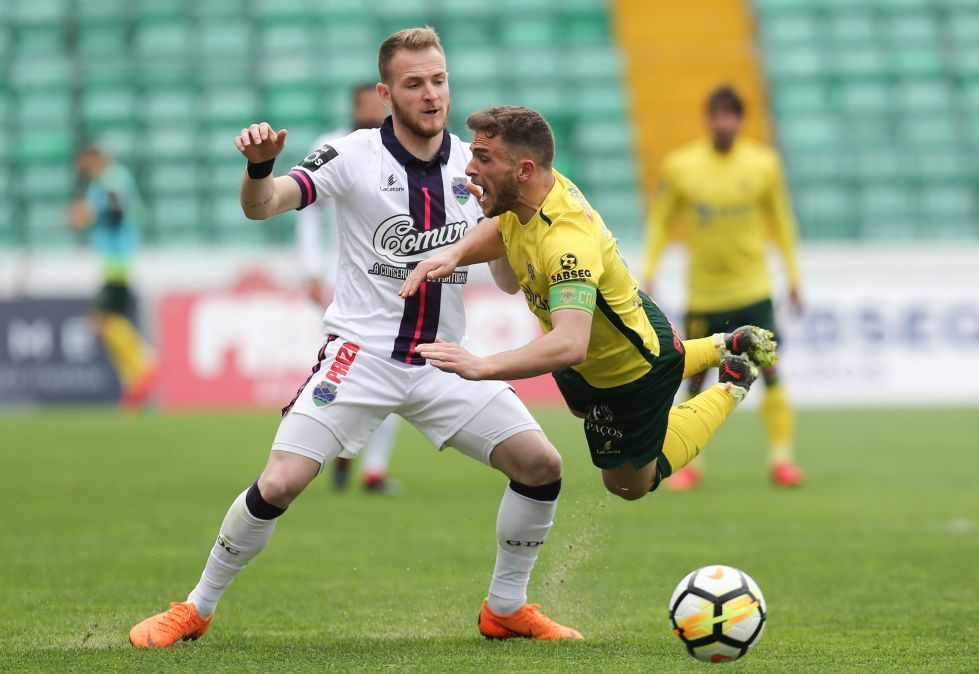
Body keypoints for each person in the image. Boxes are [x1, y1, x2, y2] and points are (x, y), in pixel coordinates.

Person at [129, 28, 581, 648]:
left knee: (541, 465)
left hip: (442, 360)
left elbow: (503, 283)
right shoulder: (352, 155)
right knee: (281, 481)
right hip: (359, 356)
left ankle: (505, 607)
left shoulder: (474, 169)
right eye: (415, 83)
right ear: (385, 92)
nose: (431, 95)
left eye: (439, 80)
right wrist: (259, 168)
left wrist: (509, 219)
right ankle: (195, 607)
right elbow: (263, 206)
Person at [400, 106, 777, 501]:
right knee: (583, 410)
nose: (470, 169)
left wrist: (483, 365)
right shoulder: (525, 198)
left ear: (525, 169)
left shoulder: (567, 243)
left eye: (484, 158)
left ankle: (733, 384)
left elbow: (569, 343)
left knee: (628, 485)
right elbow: (507, 269)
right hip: (591, 353)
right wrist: (455, 255)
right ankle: (723, 345)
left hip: (629, 370)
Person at [643, 85, 805, 490]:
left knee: (771, 372)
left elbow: (782, 221)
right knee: (693, 381)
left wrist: (794, 278)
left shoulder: (763, 164)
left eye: (732, 115)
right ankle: (689, 463)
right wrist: (650, 268)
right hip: (705, 294)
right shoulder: (682, 166)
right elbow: (662, 219)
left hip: (753, 288)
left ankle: (782, 459)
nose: (725, 123)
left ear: (741, 120)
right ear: (708, 118)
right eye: (718, 115)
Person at [296, 83, 399, 494]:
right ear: (355, 107)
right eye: (366, 106)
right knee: (342, 372)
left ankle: (374, 468)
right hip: (344, 282)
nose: (374, 112)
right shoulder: (332, 146)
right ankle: (335, 453)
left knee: (394, 367)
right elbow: (307, 214)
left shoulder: (403, 150)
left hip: (390, 281)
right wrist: (311, 270)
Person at [69, 144, 156, 409]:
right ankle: (136, 377)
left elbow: (116, 213)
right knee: (108, 321)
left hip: (118, 261)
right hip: (113, 261)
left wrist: (88, 215)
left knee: (101, 318)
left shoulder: (112, 179)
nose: (80, 169)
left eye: (83, 161)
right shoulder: (102, 182)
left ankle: (144, 365)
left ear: (93, 158)